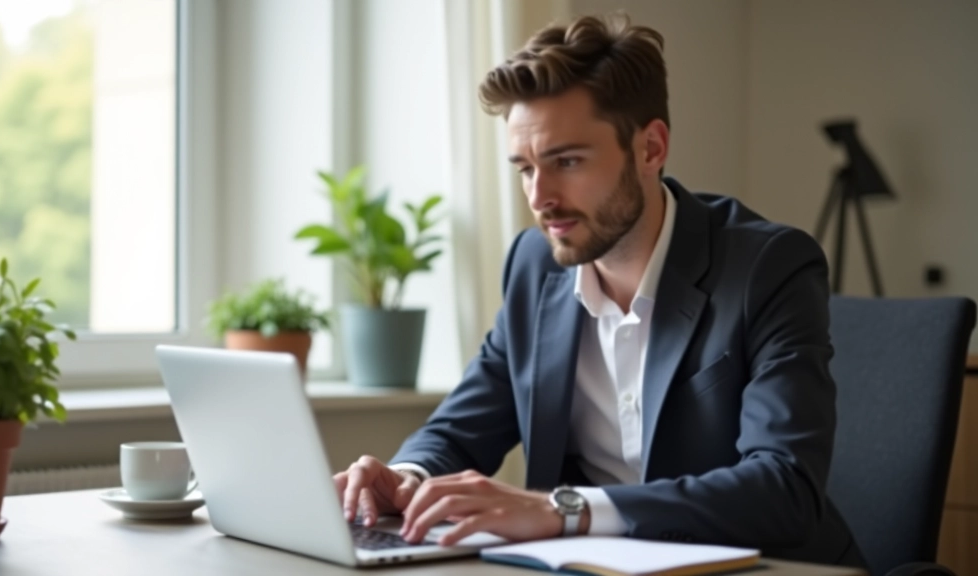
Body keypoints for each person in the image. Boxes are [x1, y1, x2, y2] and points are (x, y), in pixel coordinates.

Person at [333, 13, 866, 569]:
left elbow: (784, 488)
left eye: (566, 161)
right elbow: (463, 428)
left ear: (651, 148)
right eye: (524, 168)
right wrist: (404, 476)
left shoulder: (767, 267)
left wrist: (564, 510)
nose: (540, 197)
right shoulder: (533, 265)